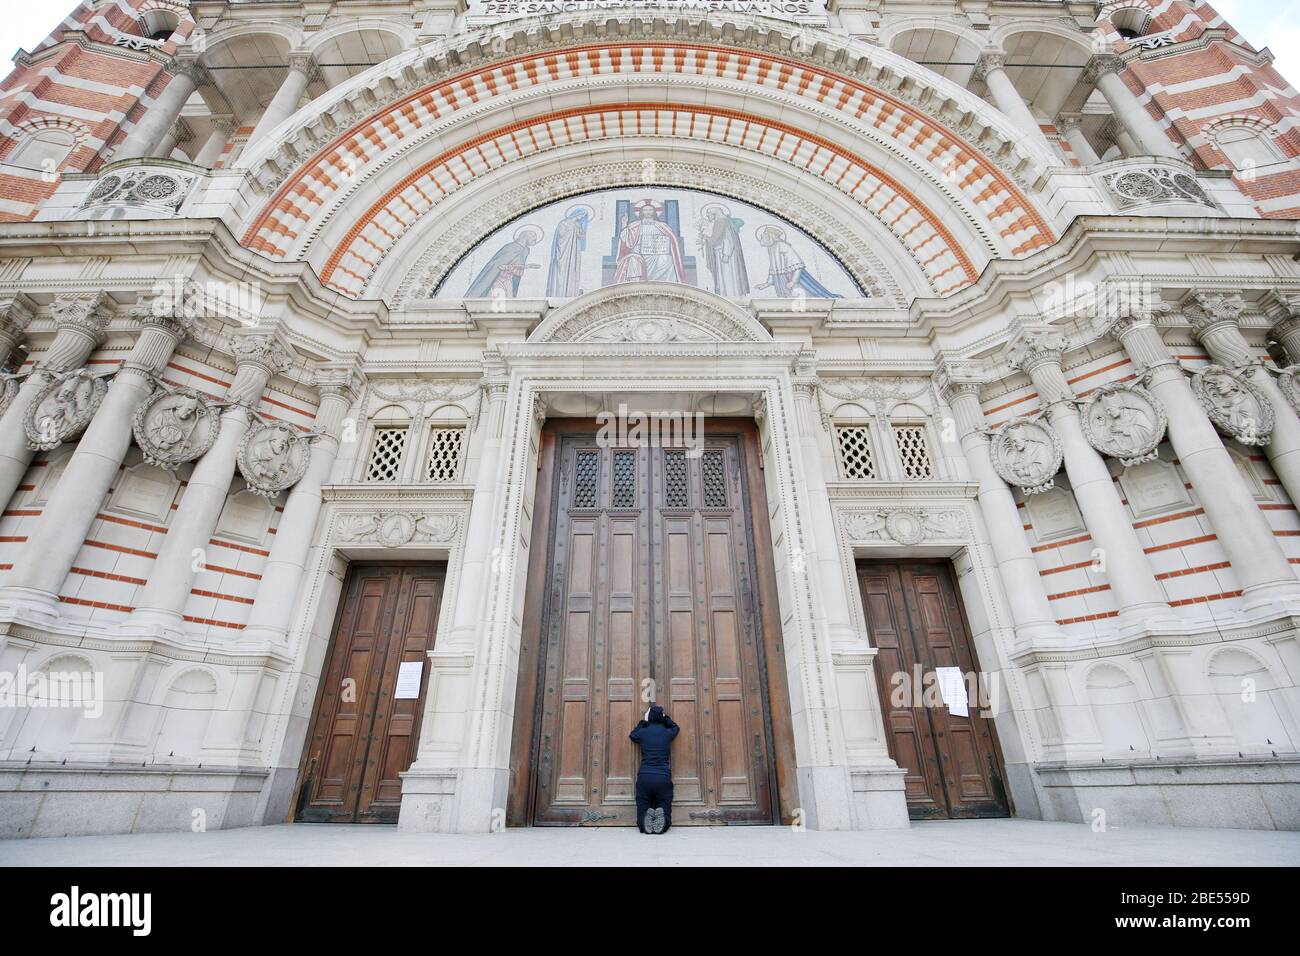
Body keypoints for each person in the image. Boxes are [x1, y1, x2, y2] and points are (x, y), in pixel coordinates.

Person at [629, 703, 679, 834]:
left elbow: (632, 735)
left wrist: (643, 722)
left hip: (645, 776)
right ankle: (664, 823)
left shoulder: (643, 732)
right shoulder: (667, 733)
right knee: (664, 804)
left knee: (643, 806)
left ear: (649, 717)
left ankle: (644, 820)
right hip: (663, 777)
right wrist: (665, 718)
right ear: (661, 717)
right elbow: (676, 727)